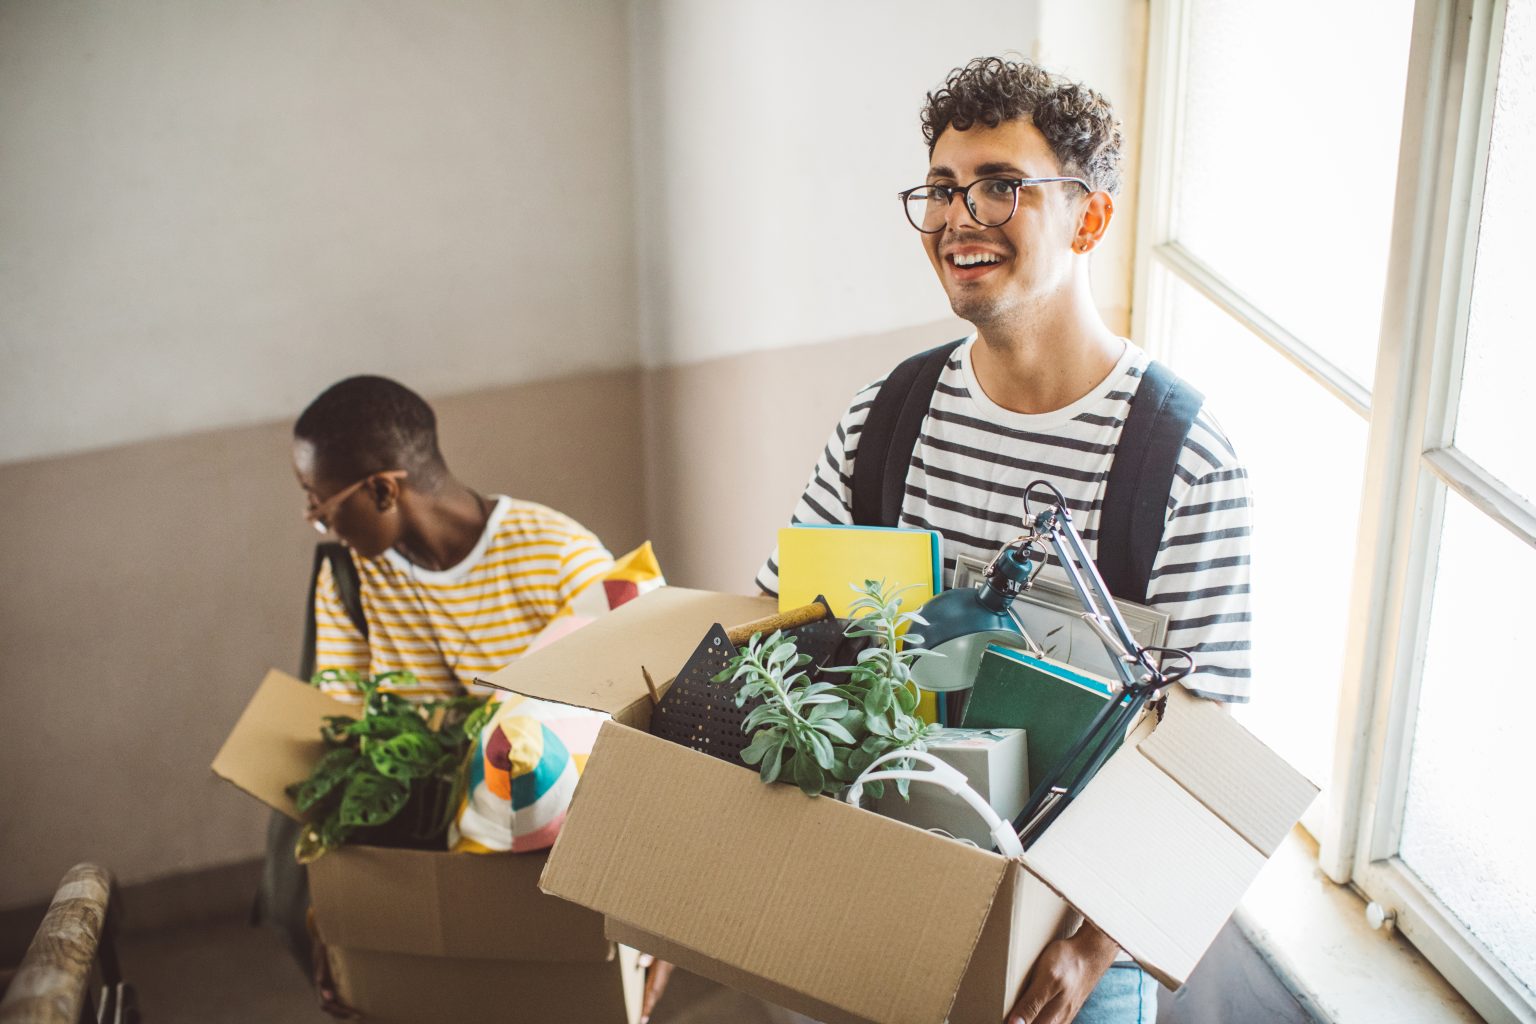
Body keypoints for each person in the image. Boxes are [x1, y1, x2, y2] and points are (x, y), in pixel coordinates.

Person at [756, 57, 1253, 1024]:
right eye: (941, 190)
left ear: (1089, 220)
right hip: (876, 891)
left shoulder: (1185, 458)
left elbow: (1204, 755)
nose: (957, 219)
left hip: (1063, 950)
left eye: (999, 187)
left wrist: (1087, 950)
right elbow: (780, 621)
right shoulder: (889, 414)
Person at [292, 374, 615, 700]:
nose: (320, 519)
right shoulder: (349, 579)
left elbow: (625, 700)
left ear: (382, 491)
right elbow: (341, 722)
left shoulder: (559, 556)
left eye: (319, 502)